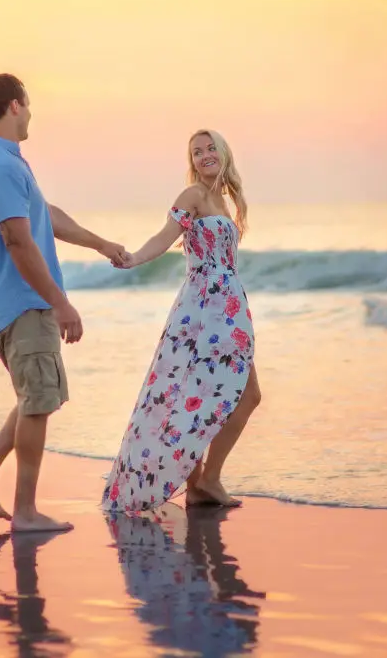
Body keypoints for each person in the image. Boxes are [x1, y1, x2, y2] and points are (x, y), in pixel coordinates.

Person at [0, 73, 128, 532]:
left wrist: (100, 243)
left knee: (35, 396)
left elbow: (42, 218)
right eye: (28, 105)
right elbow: (17, 240)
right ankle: (27, 512)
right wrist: (60, 302)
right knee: (38, 402)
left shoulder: (4, 163)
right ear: (14, 106)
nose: (31, 113)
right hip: (23, 302)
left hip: (13, 302)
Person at [101, 129, 261, 512]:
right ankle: (206, 482)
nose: (205, 155)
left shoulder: (225, 201)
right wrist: (135, 257)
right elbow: (165, 235)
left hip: (229, 307)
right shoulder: (193, 196)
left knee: (243, 395)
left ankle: (206, 481)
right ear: (192, 163)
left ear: (223, 152)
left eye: (210, 148)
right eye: (197, 152)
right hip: (203, 308)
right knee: (194, 394)